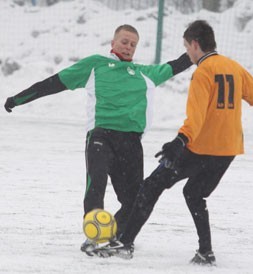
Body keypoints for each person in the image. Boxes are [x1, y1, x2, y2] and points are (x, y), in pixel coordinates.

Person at [4, 24, 192, 255]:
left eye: (133, 44)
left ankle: (112, 234)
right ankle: (93, 237)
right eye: (124, 41)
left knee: (134, 199)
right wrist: (18, 99)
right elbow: (53, 83)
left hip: (131, 142)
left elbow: (178, 64)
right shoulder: (95, 65)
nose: (128, 47)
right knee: (97, 183)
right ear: (112, 43)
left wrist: (199, 49)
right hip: (101, 136)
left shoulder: (145, 73)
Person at [92, 20, 253, 264]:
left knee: (151, 186)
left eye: (187, 47)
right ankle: (205, 251)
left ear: (195, 44)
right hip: (227, 149)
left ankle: (125, 242)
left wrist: (179, 141)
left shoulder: (203, 72)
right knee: (194, 194)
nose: (188, 53)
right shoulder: (233, 66)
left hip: (199, 147)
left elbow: (196, 118)